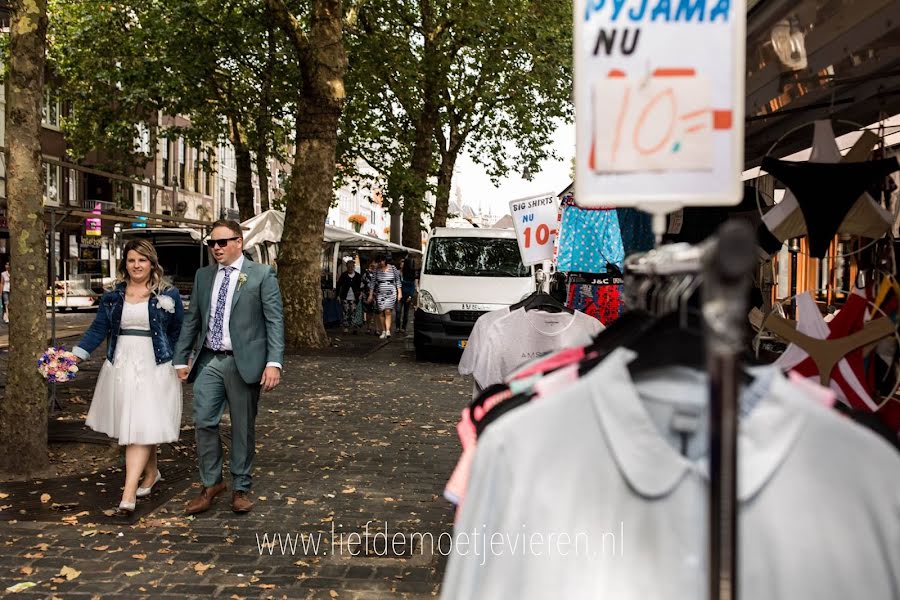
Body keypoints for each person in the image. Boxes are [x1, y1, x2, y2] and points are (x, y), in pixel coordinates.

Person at [174, 220, 285, 515]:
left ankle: (241, 486)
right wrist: (180, 357)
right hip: (209, 359)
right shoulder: (203, 276)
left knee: (242, 427)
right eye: (212, 243)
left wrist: (274, 362)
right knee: (204, 422)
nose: (217, 248)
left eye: (223, 242)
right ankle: (211, 483)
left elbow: (274, 321)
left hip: (243, 362)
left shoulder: (261, 275)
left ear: (239, 242)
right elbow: (193, 319)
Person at [72, 239, 185, 514]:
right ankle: (152, 473)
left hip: (155, 365)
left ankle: (128, 492)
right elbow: (98, 329)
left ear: (152, 263)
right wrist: (75, 356)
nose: (137, 265)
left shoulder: (167, 294)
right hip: (121, 364)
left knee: (142, 422)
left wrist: (182, 360)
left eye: (142, 260)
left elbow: (179, 331)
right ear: (125, 263)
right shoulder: (113, 296)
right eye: (132, 260)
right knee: (139, 423)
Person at [368, 254, 402, 340]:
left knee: (387, 311)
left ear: (385, 260)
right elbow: (372, 283)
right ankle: (383, 330)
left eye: (381, 261)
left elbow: (398, 281)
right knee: (381, 312)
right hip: (380, 293)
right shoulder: (376, 270)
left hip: (391, 292)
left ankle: (387, 330)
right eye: (378, 262)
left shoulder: (393, 268)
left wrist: (399, 293)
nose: (380, 263)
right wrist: (370, 295)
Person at [335, 258, 362, 333]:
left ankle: (354, 327)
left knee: (353, 311)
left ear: (353, 267)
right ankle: (346, 326)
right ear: (347, 267)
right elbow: (338, 285)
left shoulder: (357, 276)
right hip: (345, 296)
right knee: (346, 311)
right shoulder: (343, 275)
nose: (350, 268)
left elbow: (361, 286)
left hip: (355, 296)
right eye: (349, 267)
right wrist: (337, 295)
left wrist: (360, 294)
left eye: (351, 267)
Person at [397, 257, 417, 335]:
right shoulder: (398, 273)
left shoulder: (410, 273)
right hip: (399, 295)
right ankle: (397, 327)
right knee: (398, 311)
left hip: (407, 296)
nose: (402, 265)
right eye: (401, 263)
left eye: (403, 263)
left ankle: (403, 328)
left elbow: (413, 286)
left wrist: (410, 296)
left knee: (406, 312)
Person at [361, 259, 378, 335]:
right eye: (373, 263)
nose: (375, 265)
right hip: (367, 295)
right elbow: (362, 285)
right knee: (369, 312)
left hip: (377, 295)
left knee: (377, 312)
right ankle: (368, 327)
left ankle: (377, 329)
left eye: (376, 263)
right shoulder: (366, 273)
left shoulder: (379, 273)